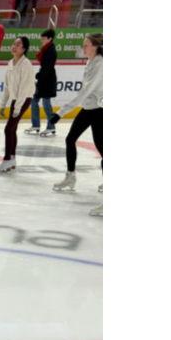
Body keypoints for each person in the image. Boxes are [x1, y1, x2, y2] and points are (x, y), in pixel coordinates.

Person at [50, 33, 103, 215]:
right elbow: (85, 94)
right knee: (70, 139)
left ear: (95, 46)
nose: (84, 47)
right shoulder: (90, 62)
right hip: (90, 108)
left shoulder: (101, 64)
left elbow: (86, 92)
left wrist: (60, 113)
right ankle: (70, 177)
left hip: (100, 110)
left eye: (86, 45)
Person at [0, 36, 36, 173]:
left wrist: (17, 108)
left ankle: (7, 159)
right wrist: (3, 104)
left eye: (18, 45)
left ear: (24, 49)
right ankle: (12, 159)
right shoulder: (10, 63)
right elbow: (7, 86)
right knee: (11, 129)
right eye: (14, 44)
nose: (14, 46)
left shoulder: (26, 65)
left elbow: (24, 89)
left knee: (8, 129)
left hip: (24, 99)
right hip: (15, 99)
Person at [25, 28, 57, 136]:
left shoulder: (51, 50)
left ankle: (51, 126)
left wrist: (39, 76)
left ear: (49, 38)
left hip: (47, 80)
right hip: (43, 79)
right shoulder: (46, 49)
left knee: (46, 104)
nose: (41, 40)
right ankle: (36, 125)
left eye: (43, 38)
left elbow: (47, 68)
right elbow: (44, 66)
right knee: (34, 102)